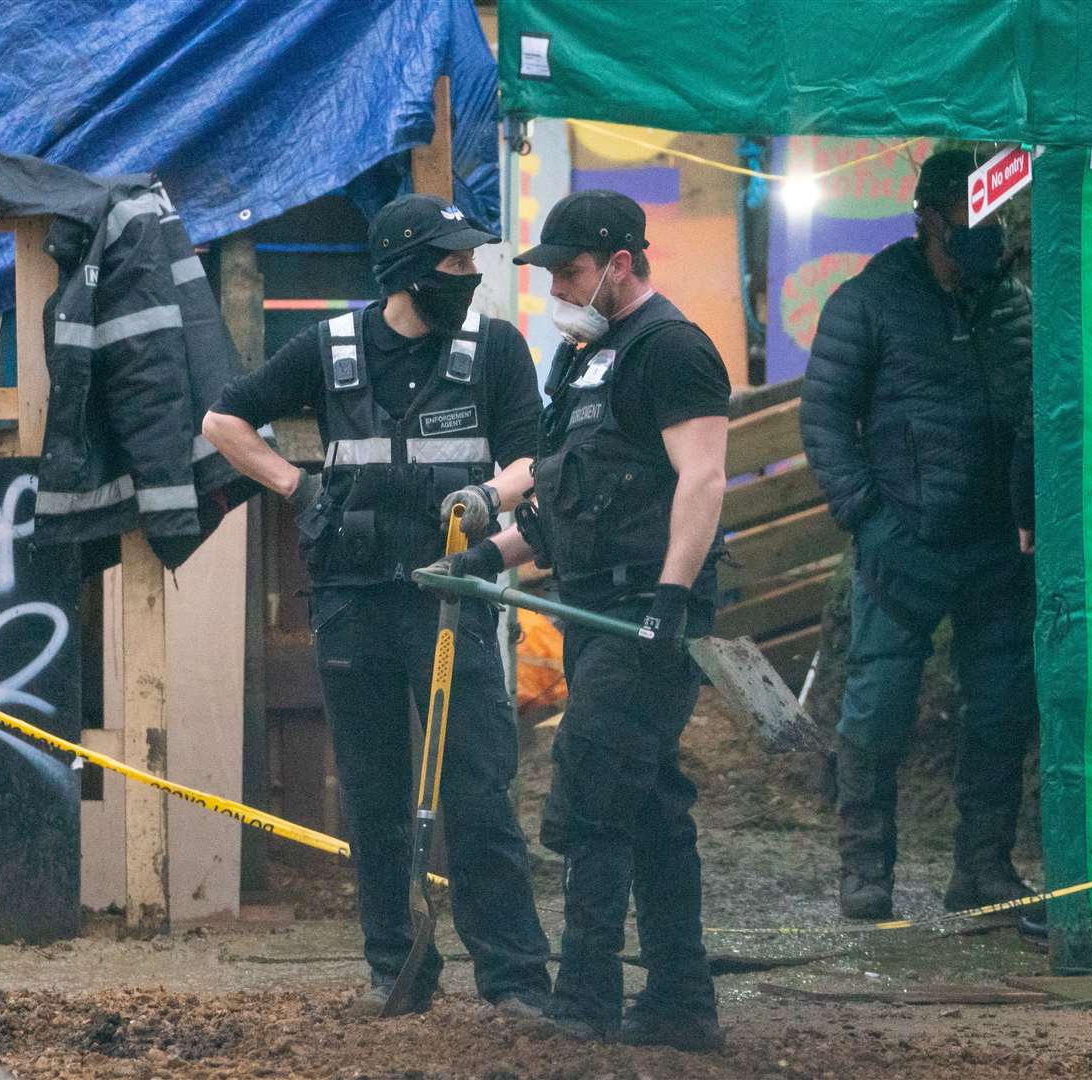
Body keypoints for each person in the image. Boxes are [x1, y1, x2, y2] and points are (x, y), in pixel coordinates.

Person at [201, 194, 552, 1018]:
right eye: (452, 261)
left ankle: (513, 980)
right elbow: (224, 421)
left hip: (452, 598)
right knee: (372, 791)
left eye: (470, 260)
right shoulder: (327, 348)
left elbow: (533, 459)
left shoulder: (494, 349)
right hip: (353, 601)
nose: (467, 274)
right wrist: (296, 484)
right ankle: (393, 969)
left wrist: (486, 495)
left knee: (477, 787)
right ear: (404, 267)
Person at [431, 190, 730, 1049]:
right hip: (588, 601)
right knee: (648, 805)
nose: (558, 287)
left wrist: (672, 600)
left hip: (646, 605)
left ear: (621, 264)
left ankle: (585, 1001)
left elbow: (702, 480)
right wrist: (483, 558)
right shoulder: (581, 360)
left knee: (592, 791)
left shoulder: (670, 350)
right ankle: (680, 1001)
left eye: (570, 272)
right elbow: (568, 500)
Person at [801, 148, 1037, 922]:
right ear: (927, 219)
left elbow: (1040, 418)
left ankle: (983, 870)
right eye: (973, 220)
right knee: (874, 714)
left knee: (1002, 711)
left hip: (998, 548)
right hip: (902, 543)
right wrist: (868, 518)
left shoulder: (1014, 305)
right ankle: (864, 873)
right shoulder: (866, 301)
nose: (988, 236)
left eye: (996, 220)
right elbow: (825, 420)